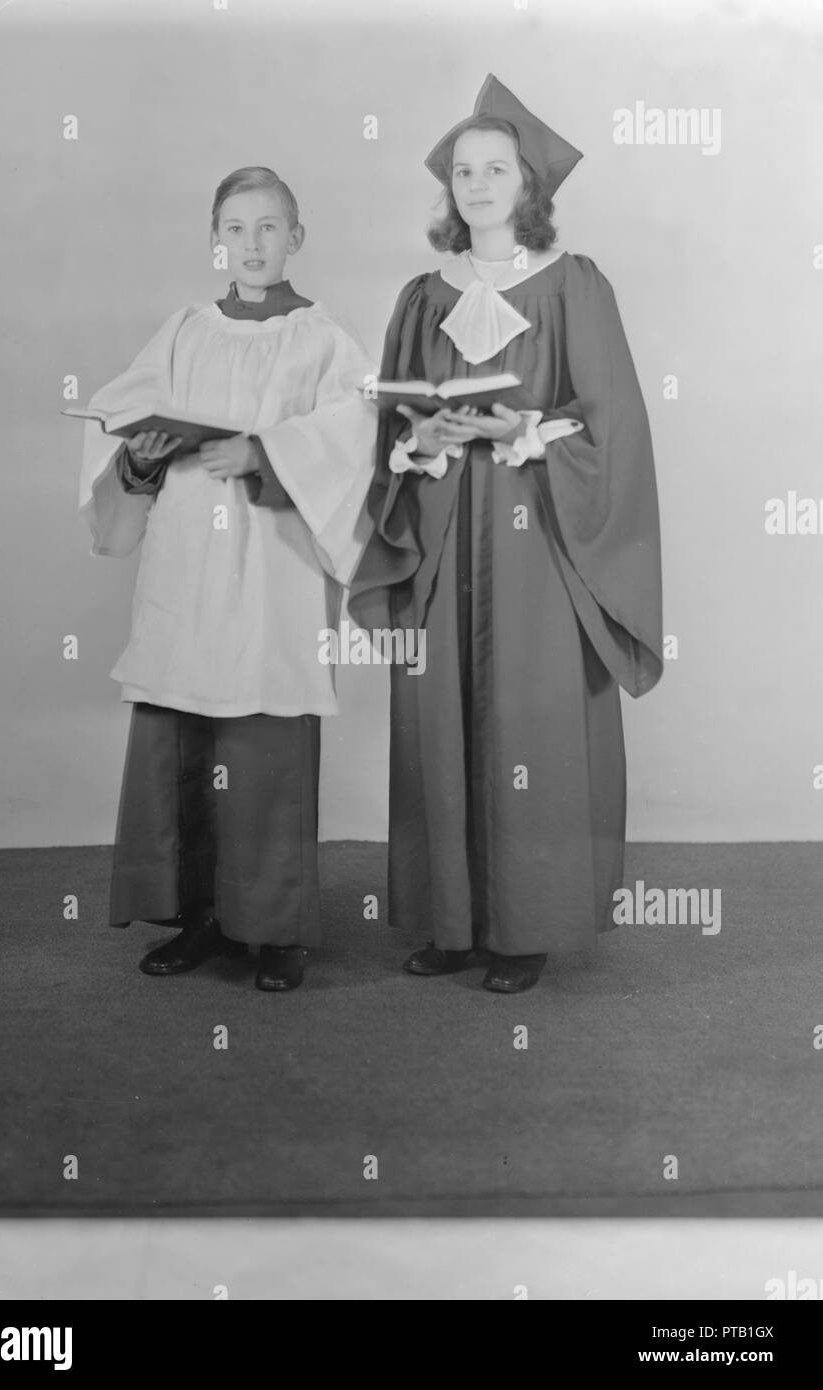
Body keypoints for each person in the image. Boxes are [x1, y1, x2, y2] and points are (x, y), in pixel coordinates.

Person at [349, 75, 663, 993]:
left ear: (530, 187)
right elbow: (390, 426)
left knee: (530, 720)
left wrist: (522, 432)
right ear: (447, 190)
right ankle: (454, 924)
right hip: (446, 529)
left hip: (539, 542)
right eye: (461, 170)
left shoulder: (573, 287)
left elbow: (613, 426)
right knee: (440, 709)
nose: (477, 184)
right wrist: (426, 439)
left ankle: (523, 928)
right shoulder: (421, 296)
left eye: (496, 168)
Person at [78, 166, 376, 991]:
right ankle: (198, 916)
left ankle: (274, 931)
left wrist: (268, 452)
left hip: (271, 566)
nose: (252, 244)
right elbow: (121, 421)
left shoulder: (324, 339)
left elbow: (357, 441)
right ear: (216, 239)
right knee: (184, 731)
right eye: (236, 228)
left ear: (296, 237)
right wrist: (133, 459)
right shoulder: (182, 330)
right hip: (187, 560)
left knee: (263, 737)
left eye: (269, 227)